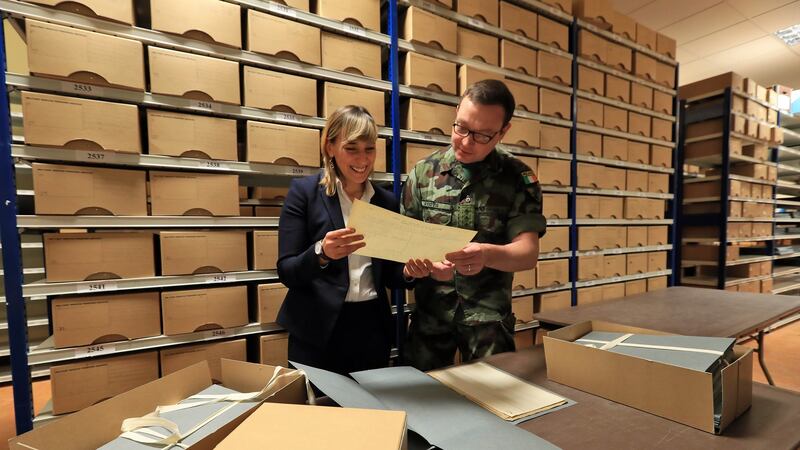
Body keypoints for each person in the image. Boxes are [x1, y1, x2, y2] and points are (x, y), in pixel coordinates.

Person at [400, 79, 547, 371]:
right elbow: (402, 248)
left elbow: (528, 253)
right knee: (423, 407)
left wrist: (486, 254)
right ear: (456, 112)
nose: (466, 142)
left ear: (504, 131)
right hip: (431, 321)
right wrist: (418, 267)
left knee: (494, 406)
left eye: (482, 136)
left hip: (488, 323)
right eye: (461, 127)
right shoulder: (423, 173)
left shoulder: (518, 178)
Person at [277, 105, 431, 375]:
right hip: (317, 330)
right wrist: (321, 253)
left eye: (369, 149)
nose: (363, 159)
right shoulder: (304, 194)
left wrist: (408, 271)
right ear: (330, 147)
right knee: (320, 412)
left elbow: (389, 275)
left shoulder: (385, 201)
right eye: (352, 148)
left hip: (371, 327)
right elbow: (287, 271)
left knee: (368, 412)